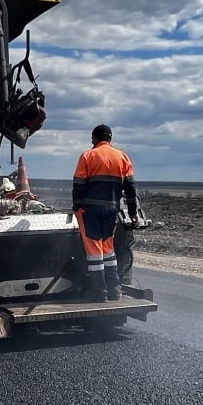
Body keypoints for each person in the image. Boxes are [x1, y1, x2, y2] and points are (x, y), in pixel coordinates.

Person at [72, 125, 138, 301]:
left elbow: (78, 184)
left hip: (89, 211)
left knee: (94, 251)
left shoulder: (88, 156)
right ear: (110, 139)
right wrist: (132, 211)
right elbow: (130, 188)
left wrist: (76, 205)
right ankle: (115, 289)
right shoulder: (122, 157)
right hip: (111, 210)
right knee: (108, 250)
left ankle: (99, 291)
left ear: (94, 138)